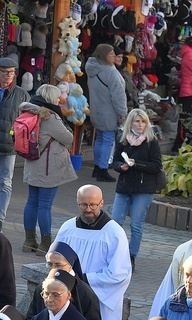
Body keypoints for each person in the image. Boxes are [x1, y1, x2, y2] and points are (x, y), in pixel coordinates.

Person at [54, 184, 131, 320]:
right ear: (77, 203)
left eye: (93, 205)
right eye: (84, 205)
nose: (89, 209)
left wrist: (82, 281)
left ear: (102, 203)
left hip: (100, 305)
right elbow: (55, 259)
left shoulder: (114, 232)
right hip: (69, 299)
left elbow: (119, 273)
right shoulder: (68, 228)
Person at [20, 84, 76, 256]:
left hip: (32, 164)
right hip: (48, 168)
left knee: (31, 202)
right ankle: (45, 244)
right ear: (51, 97)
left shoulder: (28, 112)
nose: (59, 100)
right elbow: (68, 138)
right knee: (45, 205)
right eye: (57, 97)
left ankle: (29, 241)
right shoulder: (49, 116)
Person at [111, 109, 162, 268]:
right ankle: (114, 254)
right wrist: (121, 166)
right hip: (125, 186)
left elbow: (156, 166)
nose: (140, 125)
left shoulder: (151, 141)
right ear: (130, 122)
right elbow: (115, 162)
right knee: (115, 222)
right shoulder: (123, 139)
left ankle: (131, 257)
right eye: (137, 121)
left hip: (144, 188)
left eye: (143, 122)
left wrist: (137, 164)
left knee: (136, 225)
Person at [27, 241, 102, 320]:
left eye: (58, 265)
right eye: (50, 264)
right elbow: (30, 319)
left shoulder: (85, 293)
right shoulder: (41, 288)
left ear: (70, 265)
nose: (53, 268)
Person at [85, 44, 127, 182]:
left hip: (97, 110)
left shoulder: (92, 68)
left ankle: (97, 167)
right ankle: (103, 169)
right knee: (107, 140)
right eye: (111, 53)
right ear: (104, 55)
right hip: (109, 111)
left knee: (99, 138)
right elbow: (118, 95)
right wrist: (123, 112)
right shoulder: (110, 72)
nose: (114, 56)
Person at [0, 57, 30, 232]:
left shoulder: (21, 94)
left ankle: (1, 220)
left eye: (11, 72)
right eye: (4, 72)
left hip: (9, 147)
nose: (7, 76)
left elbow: (26, 121)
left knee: (5, 183)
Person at [114, 46, 138, 110]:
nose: (121, 59)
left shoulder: (125, 70)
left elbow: (132, 87)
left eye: (121, 57)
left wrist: (135, 101)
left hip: (130, 105)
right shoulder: (112, 73)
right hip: (121, 107)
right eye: (118, 57)